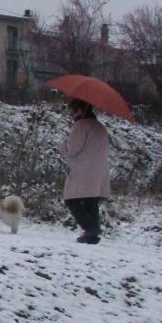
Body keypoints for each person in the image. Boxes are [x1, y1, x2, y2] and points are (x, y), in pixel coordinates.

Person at [59, 98, 111, 244]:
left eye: (73, 111)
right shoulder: (100, 127)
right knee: (91, 201)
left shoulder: (81, 126)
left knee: (71, 200)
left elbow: (72, 149)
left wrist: (62, 145)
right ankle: (93, 234)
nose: (71, 114)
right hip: (99, 170)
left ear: (81, 110)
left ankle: (91, 228)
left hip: (82, 170)